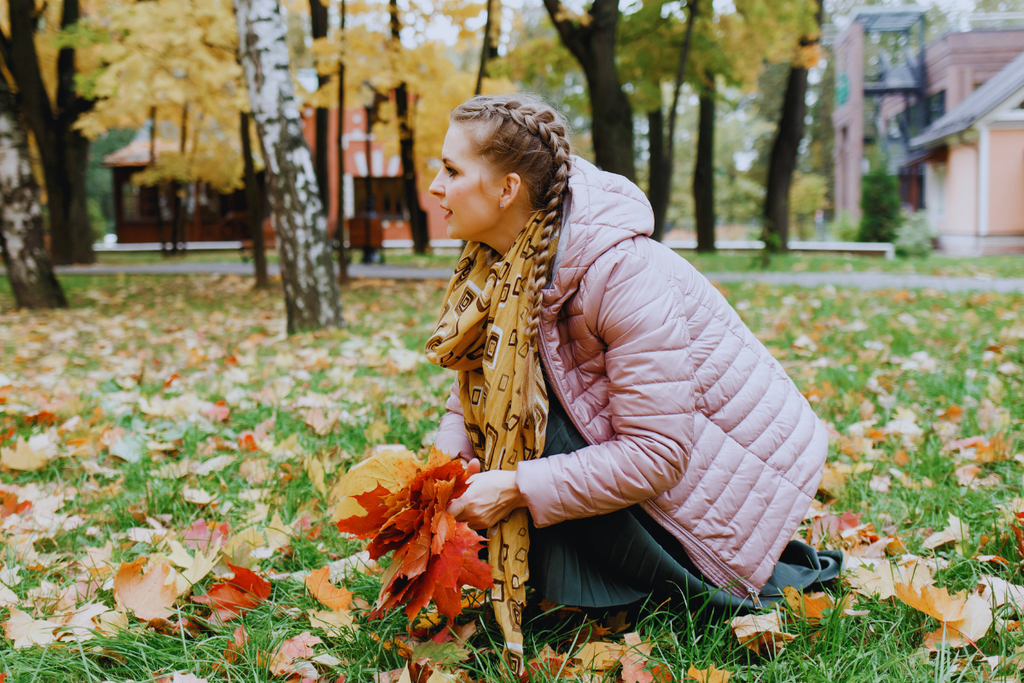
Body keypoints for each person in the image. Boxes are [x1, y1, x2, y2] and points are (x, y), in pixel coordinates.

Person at [424, 94, 839, 674]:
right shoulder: (502, 266)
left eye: (451, 170)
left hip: (712, 498)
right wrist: (447, 471)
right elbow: (471, 395)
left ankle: (657, 582)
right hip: (635, 471)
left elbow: (658, 453)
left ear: (507, 190)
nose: (435, 187)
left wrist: (515, 486)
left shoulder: (621, 272)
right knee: (521, 417)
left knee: (538, 430)